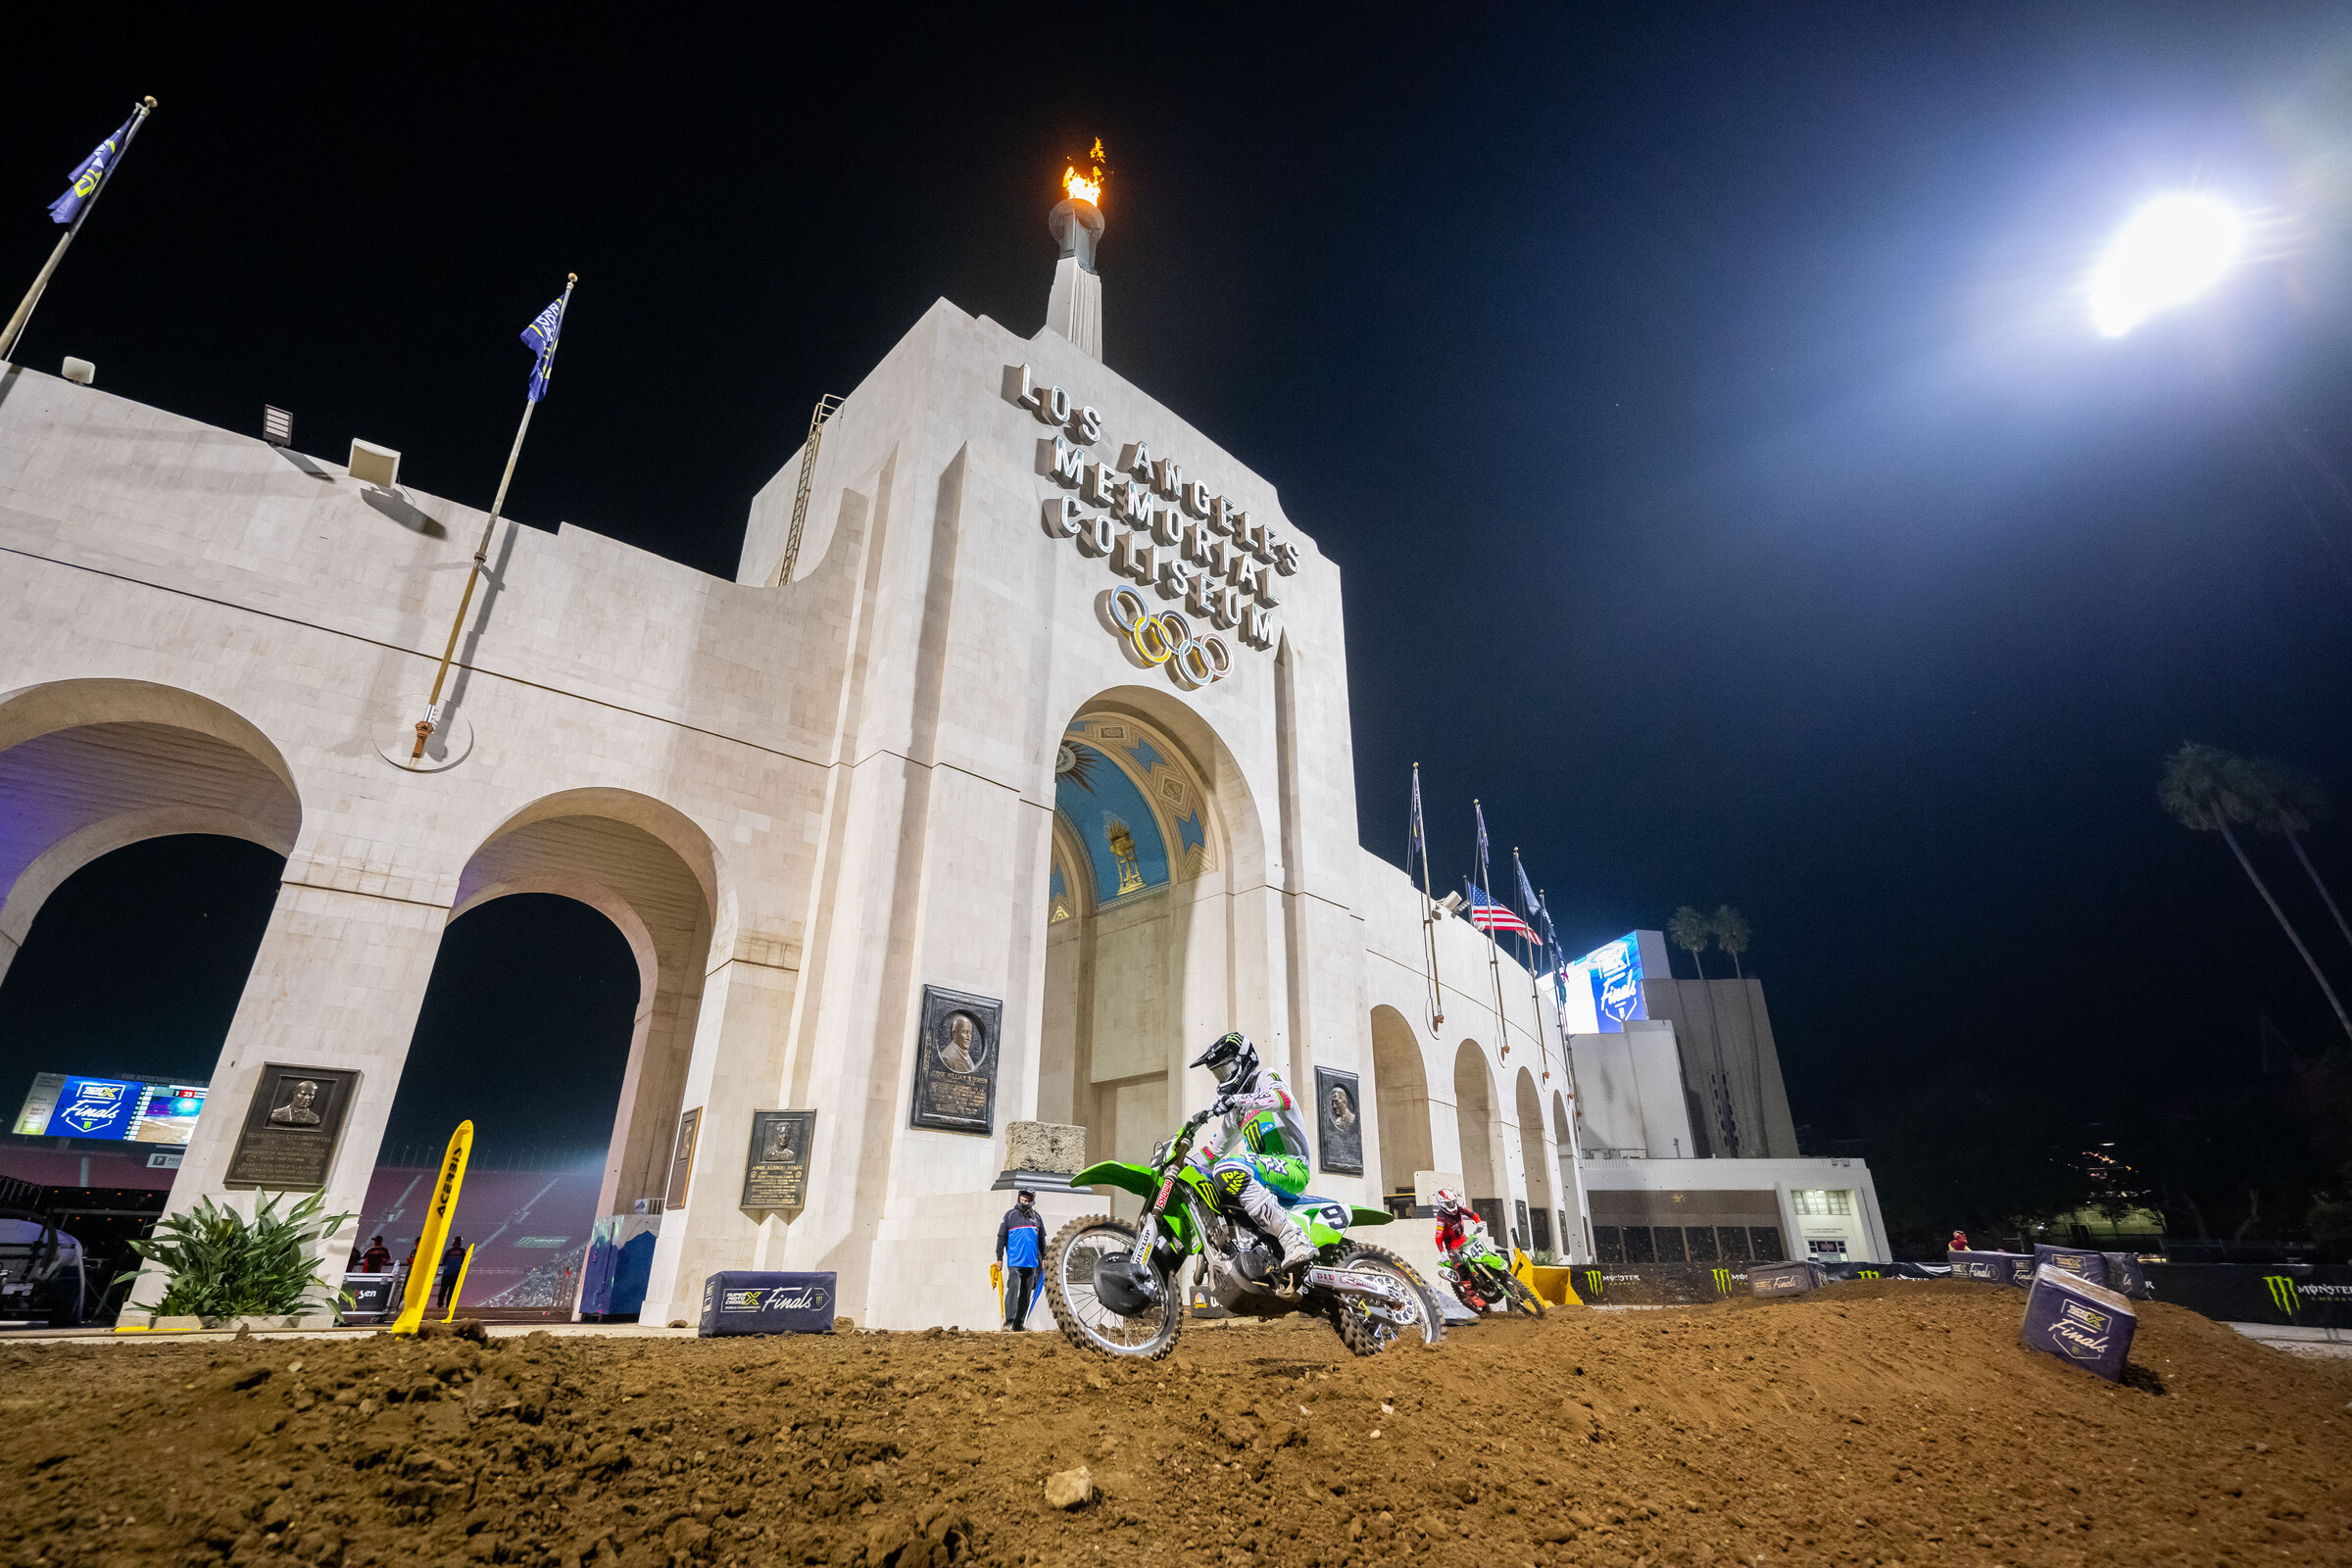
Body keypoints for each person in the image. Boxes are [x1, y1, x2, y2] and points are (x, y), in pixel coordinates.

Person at [1188, 1031, 1316, 1277]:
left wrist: (1238, 1098)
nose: (1222, 1078)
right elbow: (1213, 1150)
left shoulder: (1266, 1077)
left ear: (1244, 1060)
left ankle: (1295, 1239)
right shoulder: (1236, 1112)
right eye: (1218, 1074)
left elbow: (1283, 1099)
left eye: (1225, 1070)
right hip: (1265, 1177)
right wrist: (1180, 1163)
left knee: (1228, 1168)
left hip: (1293, 1167)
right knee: (1204, 1179)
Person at [995, 1188, 1045, 1329]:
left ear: (1032, 1201)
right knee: (1013, 1288)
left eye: (1027, 1200)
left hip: (1031, 1262)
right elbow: (1001, 1237)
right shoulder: (1010, 1215)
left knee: (1026, 1293)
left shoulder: (1037, 1217)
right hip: (1015, 1261)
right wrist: (999, 1258)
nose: (1024, 1202)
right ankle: (1009, 1321)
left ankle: (1019, 1324)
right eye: (1022, 1199)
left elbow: (1041, 1239)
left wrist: (1044, 1258)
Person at [1432, 1188, 1494, 1289]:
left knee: (1482, 1253)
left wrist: (1478, 1223)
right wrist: (1442, 1252)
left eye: (1453, 1202)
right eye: (1449, 1204)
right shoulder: (1441, 1216)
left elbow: (1472, 1214)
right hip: (1452, 1246)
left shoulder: (1459, 1207)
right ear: (1442, 1204)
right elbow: (1438, 1236)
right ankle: (1467, 1286)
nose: (1453, 1205)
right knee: (1461, 1264)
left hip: (1463, 1239)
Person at [434, 1236, 466, 1311]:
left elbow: (443, 1262)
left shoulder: (449, 1251)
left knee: (444, 1290)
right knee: (450, 1290)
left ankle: (441, 1304)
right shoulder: (461, 1251)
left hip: (448, 1273)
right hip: (454, 1273)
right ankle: (447, 1304)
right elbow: (464, 1261)